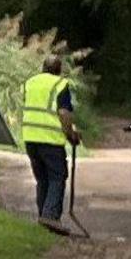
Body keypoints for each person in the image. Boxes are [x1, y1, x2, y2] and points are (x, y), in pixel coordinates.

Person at [20, 62, 84, 233]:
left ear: (42, 68)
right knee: (57, 176)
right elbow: (63, 113)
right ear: (59, 70)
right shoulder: (60, 84)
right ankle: (50, 216)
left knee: (42, 178)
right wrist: (70, 134)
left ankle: (43, 217)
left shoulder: (29, 83)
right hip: (50, 140)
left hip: (30, 138)